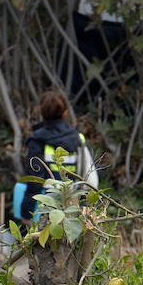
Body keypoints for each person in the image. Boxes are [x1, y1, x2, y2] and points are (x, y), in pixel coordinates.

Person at [19, 91, 98, 223]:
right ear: (65, 112)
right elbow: (90, 178)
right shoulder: (78, 138)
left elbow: (35, 181)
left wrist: (26, 213)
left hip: (48, 209)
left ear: (40, 112)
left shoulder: (37, 140)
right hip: (75, 207)